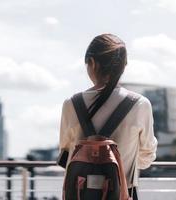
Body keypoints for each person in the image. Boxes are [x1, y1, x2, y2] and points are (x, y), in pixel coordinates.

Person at [59, 33, 158, 199]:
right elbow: (147, 156)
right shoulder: (140, 104)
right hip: (122, 194)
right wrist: (124, 164)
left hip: (80, 194)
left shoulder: (71, 104)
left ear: (91, 62)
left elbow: (66, 151)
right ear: (123, 66)